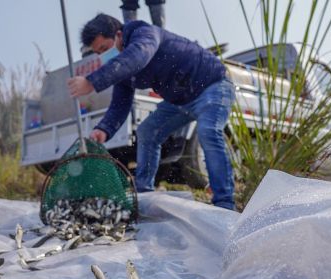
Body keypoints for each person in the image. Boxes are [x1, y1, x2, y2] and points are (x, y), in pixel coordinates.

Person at [67, 14, 236, 210]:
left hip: (212, 85)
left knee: (208, 130)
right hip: (180, 101)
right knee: (147, 131)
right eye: (99, 53)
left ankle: (224, 202)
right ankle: (143, 194)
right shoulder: (123, 69)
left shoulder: (145, 34)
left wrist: (91, 82)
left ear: (119, 35)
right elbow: (120, 103)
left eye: (105, 49)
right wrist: (103, 129)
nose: (104, 56)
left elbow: (138, 56)